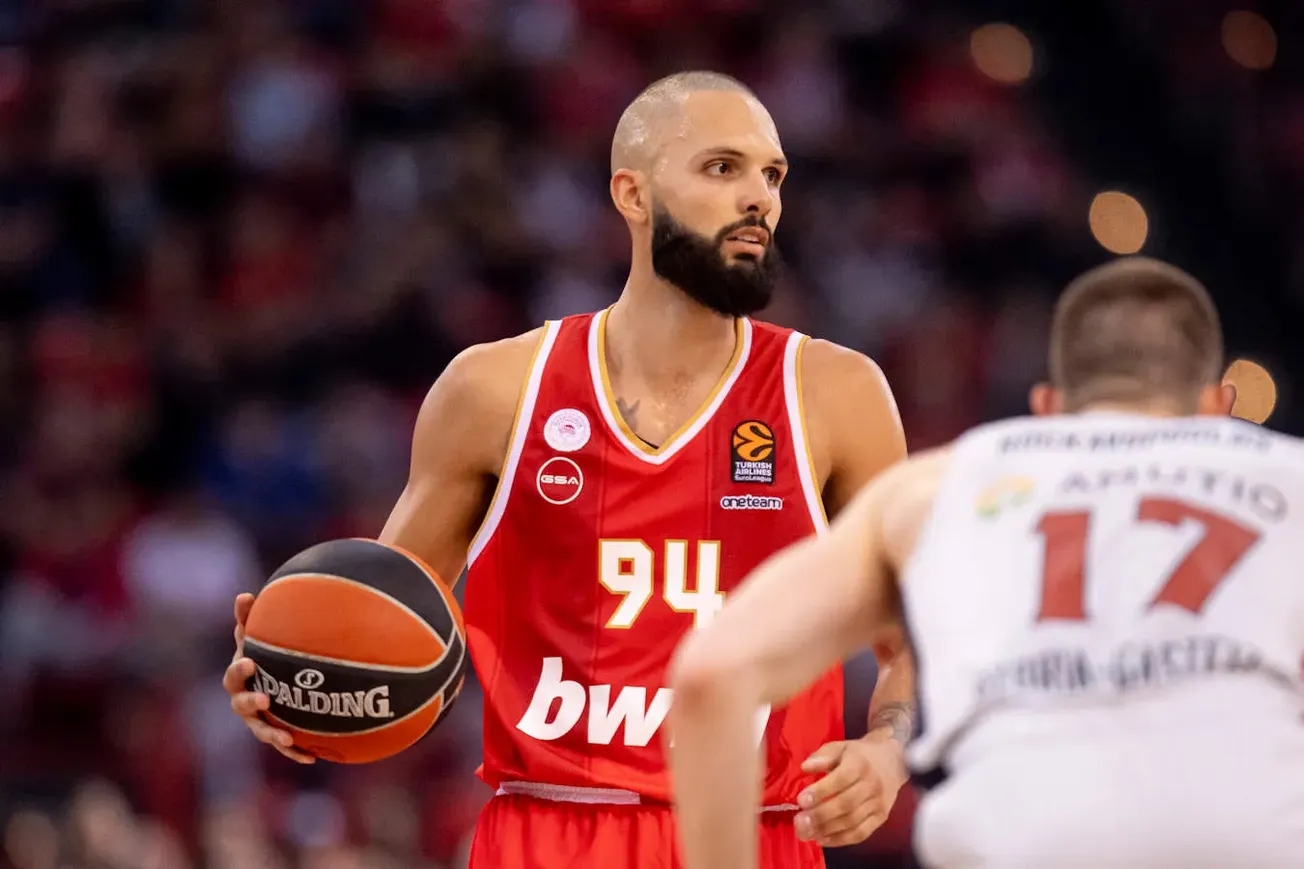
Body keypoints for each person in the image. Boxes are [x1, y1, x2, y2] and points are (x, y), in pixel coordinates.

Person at [223, 71, 916, 868]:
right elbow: (386, 624)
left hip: (753, 831)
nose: (759, 196)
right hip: (546, 830)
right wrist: (297, 678)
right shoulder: (494, 389)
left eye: (772, 175)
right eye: (722, 168)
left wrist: (888, 751)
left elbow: (916, 635)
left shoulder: (835, 393)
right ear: (633, 192)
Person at [668, 256, 1304, 869]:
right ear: (1219, 409)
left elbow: (710, 673)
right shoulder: (1288, 475)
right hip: (1248, 838)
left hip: (1020, 837)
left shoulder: (942, 482)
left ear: (1049, 409)